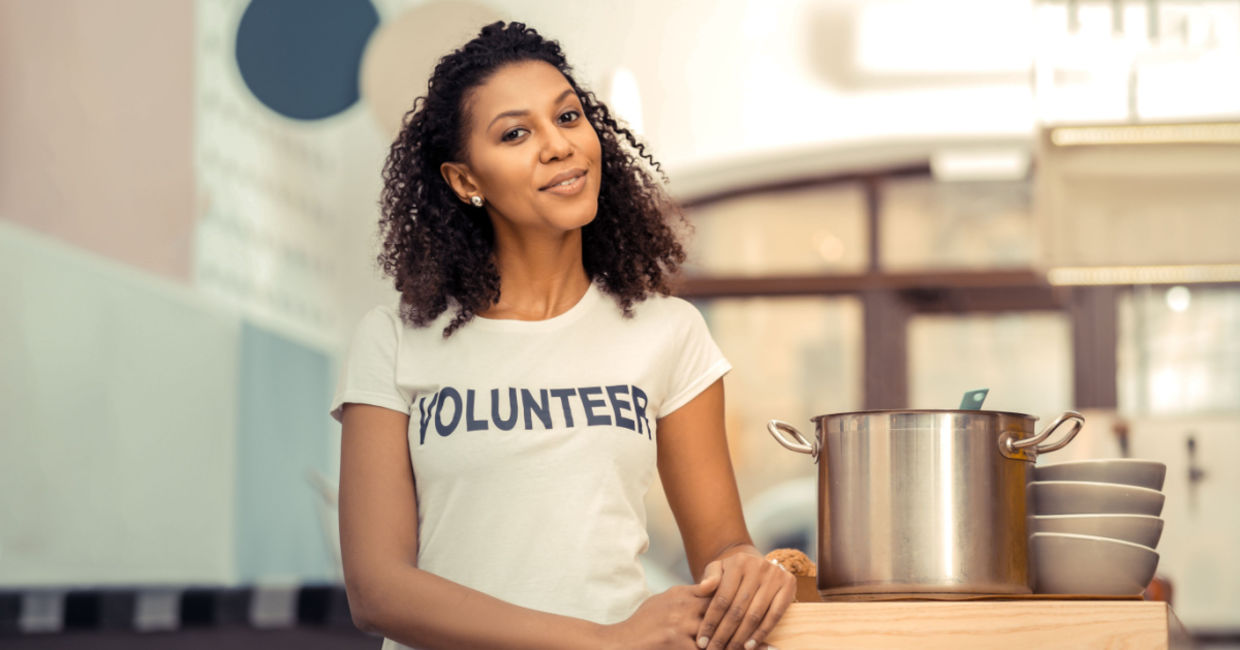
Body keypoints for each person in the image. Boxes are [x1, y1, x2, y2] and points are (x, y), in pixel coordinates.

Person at [330, 21, 795, 650]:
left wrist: (747, 569)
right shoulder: (393, 339)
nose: (557, 146)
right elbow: (378, 590)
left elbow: (721, 547)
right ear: (466, 181)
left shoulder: (668, 334)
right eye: (516, 133)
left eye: (569, 117)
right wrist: (602, 641)